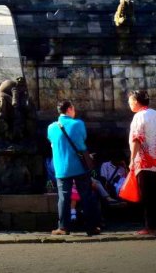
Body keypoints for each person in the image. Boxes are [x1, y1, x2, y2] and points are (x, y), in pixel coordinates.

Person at [47, 100, 100, 236]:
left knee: (64, 198)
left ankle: (63, 227)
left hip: (61, 169)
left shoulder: (51, 127)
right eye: (73, 108)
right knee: (86, 196)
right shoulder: (78, 124)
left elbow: (52, 143)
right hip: (79, 167)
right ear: (70, 109)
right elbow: (82, 140)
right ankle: (91, 227)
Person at [128, 89, 156, 237]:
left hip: (145, 161)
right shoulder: (155, 114)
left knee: (147, 196)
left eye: (130, 101)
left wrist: (132, 159)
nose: (129, 104)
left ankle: (150, 226)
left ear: (136, 102)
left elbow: (137, 139)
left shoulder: (139, 116)